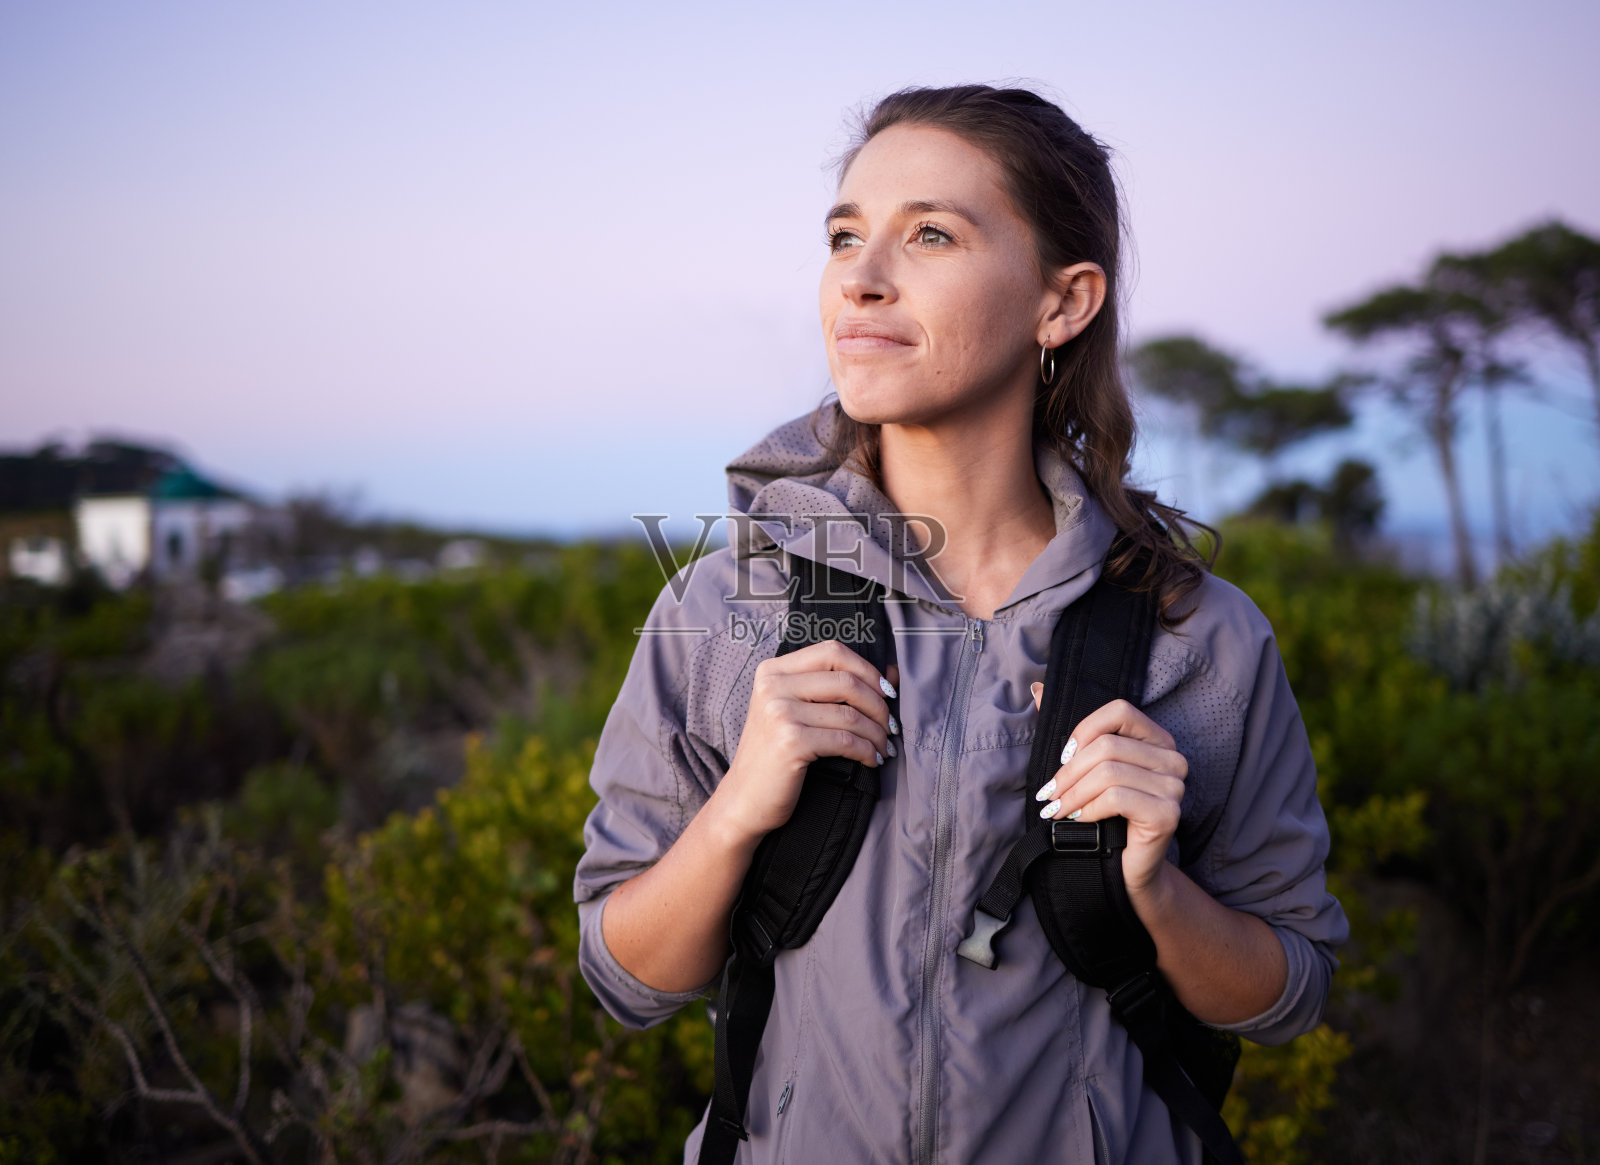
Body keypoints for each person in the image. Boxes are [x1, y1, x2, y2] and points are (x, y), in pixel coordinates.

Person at [573, 84, 1348, 1165]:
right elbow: (625, 979)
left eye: (929, 233)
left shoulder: (1198, 639)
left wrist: (1155, 888)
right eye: (845, 235)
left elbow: (1286, 995)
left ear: (1063, 300)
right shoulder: (719, 611)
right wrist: (739, 810)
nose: (860, 274)